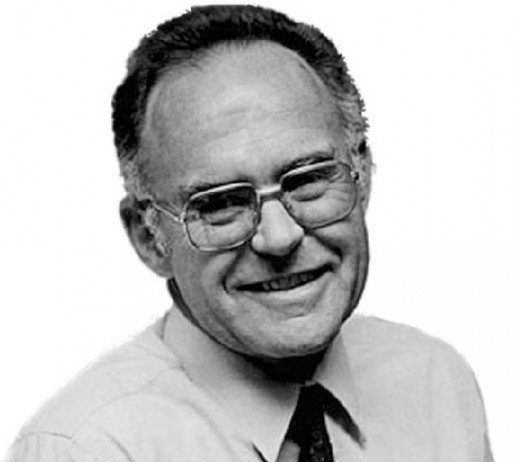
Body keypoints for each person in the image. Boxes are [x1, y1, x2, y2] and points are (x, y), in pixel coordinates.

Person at [7, 5, 493, 462]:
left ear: (362, 177)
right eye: (219, 203)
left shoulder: (437, 383)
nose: (279, 237)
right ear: (149, 238)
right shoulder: (89, 448)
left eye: (307, 180)